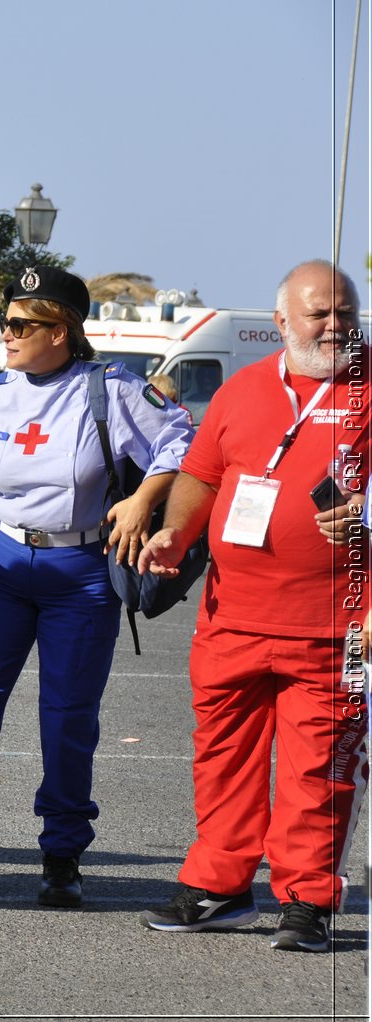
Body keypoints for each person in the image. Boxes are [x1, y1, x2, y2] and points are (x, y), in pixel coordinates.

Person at [0, 265, 195, 907]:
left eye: (22, 324)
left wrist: (143, 499)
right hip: (0, 564)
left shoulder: (110, 390)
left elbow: (183, 444)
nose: (7, 333)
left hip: (80, 572)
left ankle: (61, 856)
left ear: (63, 330)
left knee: (67, 716)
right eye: (6, 321)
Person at [137, 260, 367, 952]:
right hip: (232, 618)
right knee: (223, 757)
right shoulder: (243, 389)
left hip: (336, 627)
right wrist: (176, 532)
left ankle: (307, 901)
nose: (334, 327)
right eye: (319, 314)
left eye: (346, 315)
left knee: (317, 767)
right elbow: (203, 474)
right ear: (281, 323)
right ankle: (220, 887)